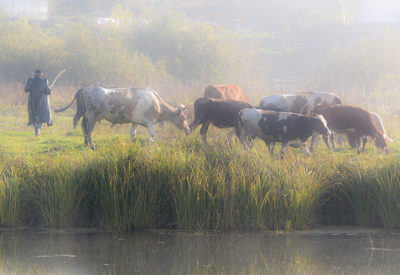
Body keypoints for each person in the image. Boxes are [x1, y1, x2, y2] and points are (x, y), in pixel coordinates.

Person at [24, 69, 53, 136]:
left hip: (32, 103)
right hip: (42, 103)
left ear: (35, 75)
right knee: (40, 117)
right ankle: (38, 130)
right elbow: (49, 92)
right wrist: (50, 89)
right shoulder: (44, 81)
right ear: (41, 75)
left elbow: (26, 89)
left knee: (35, 117)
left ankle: (37, 129)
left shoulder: (30, 81)